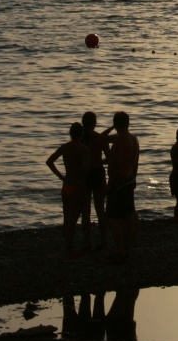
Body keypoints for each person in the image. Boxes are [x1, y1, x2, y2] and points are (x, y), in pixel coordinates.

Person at [46, 121, 91, 259]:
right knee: (74, 220)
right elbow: (86, 169)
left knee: (67, 218)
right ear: (81, 134)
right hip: (78, 187)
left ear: (70, 134)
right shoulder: (83, 149)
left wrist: (61, 177)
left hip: (67, 186)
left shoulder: (65, 147)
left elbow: (49, 161)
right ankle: (70, 250)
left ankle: (68, 248)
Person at [105, 111, 139, 261]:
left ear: (115, 124)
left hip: (120, 181)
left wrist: (109, 185)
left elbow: (116, 166)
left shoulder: (119, 141)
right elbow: (135, 163)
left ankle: (121, 251)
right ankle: (128, 247)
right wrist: (134, 178)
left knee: (111, 218)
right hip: (130, 178)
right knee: (128, 214)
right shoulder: (133, 138)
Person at [81, 111, 110, 249]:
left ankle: (86, 242)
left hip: (84, 174)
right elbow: (109, 158)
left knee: (85, 210)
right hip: (98, 172)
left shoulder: (80, 139)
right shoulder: (100, 138)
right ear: (95, 123)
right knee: (100, 209)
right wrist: (99, 161)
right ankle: (103, 240)